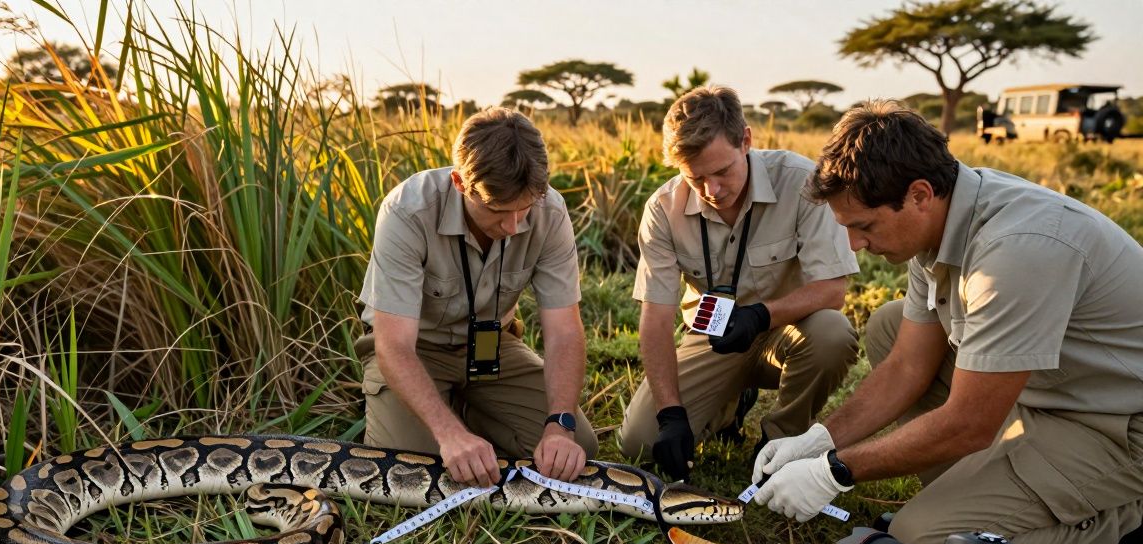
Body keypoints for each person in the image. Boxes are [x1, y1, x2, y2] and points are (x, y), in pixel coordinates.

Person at [754, 100, 1143, 544]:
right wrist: (818, 440)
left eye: (864, 226)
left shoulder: (1017, 251)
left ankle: (1124, 509)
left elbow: (969, 422)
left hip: (1116, 423)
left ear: (919, 194)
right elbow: (906, 367)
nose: (855, 245)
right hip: (1046, 391)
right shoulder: (941, 218)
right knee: (891, 325)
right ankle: (980, 492)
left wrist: (834, 472)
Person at [619, 85, 859, 481]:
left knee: (833, 332)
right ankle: (729, 402)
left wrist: (761, 315)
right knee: (640, 444)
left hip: (790, 331)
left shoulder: (802, 182)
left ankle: (782, 439)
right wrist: (670, 414)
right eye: (696, 178)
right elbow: (657, 317)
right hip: (712, 337)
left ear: (746, 140)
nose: (712, 191)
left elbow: (832, 290)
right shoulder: (662, 209)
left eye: (723, 171)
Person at [356, 107, 598, 488]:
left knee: (575, 448)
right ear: (459, 182)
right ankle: (450, 418)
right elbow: (394, 346)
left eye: (524, 209)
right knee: (413, 466)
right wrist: (447, 434)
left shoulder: (550, 211)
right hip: (418, 350)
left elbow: (564, 331)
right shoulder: (407, 210)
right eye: (497, 210)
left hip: (493, 348)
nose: (513, 226)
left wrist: (560, 423)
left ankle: (468, 410)